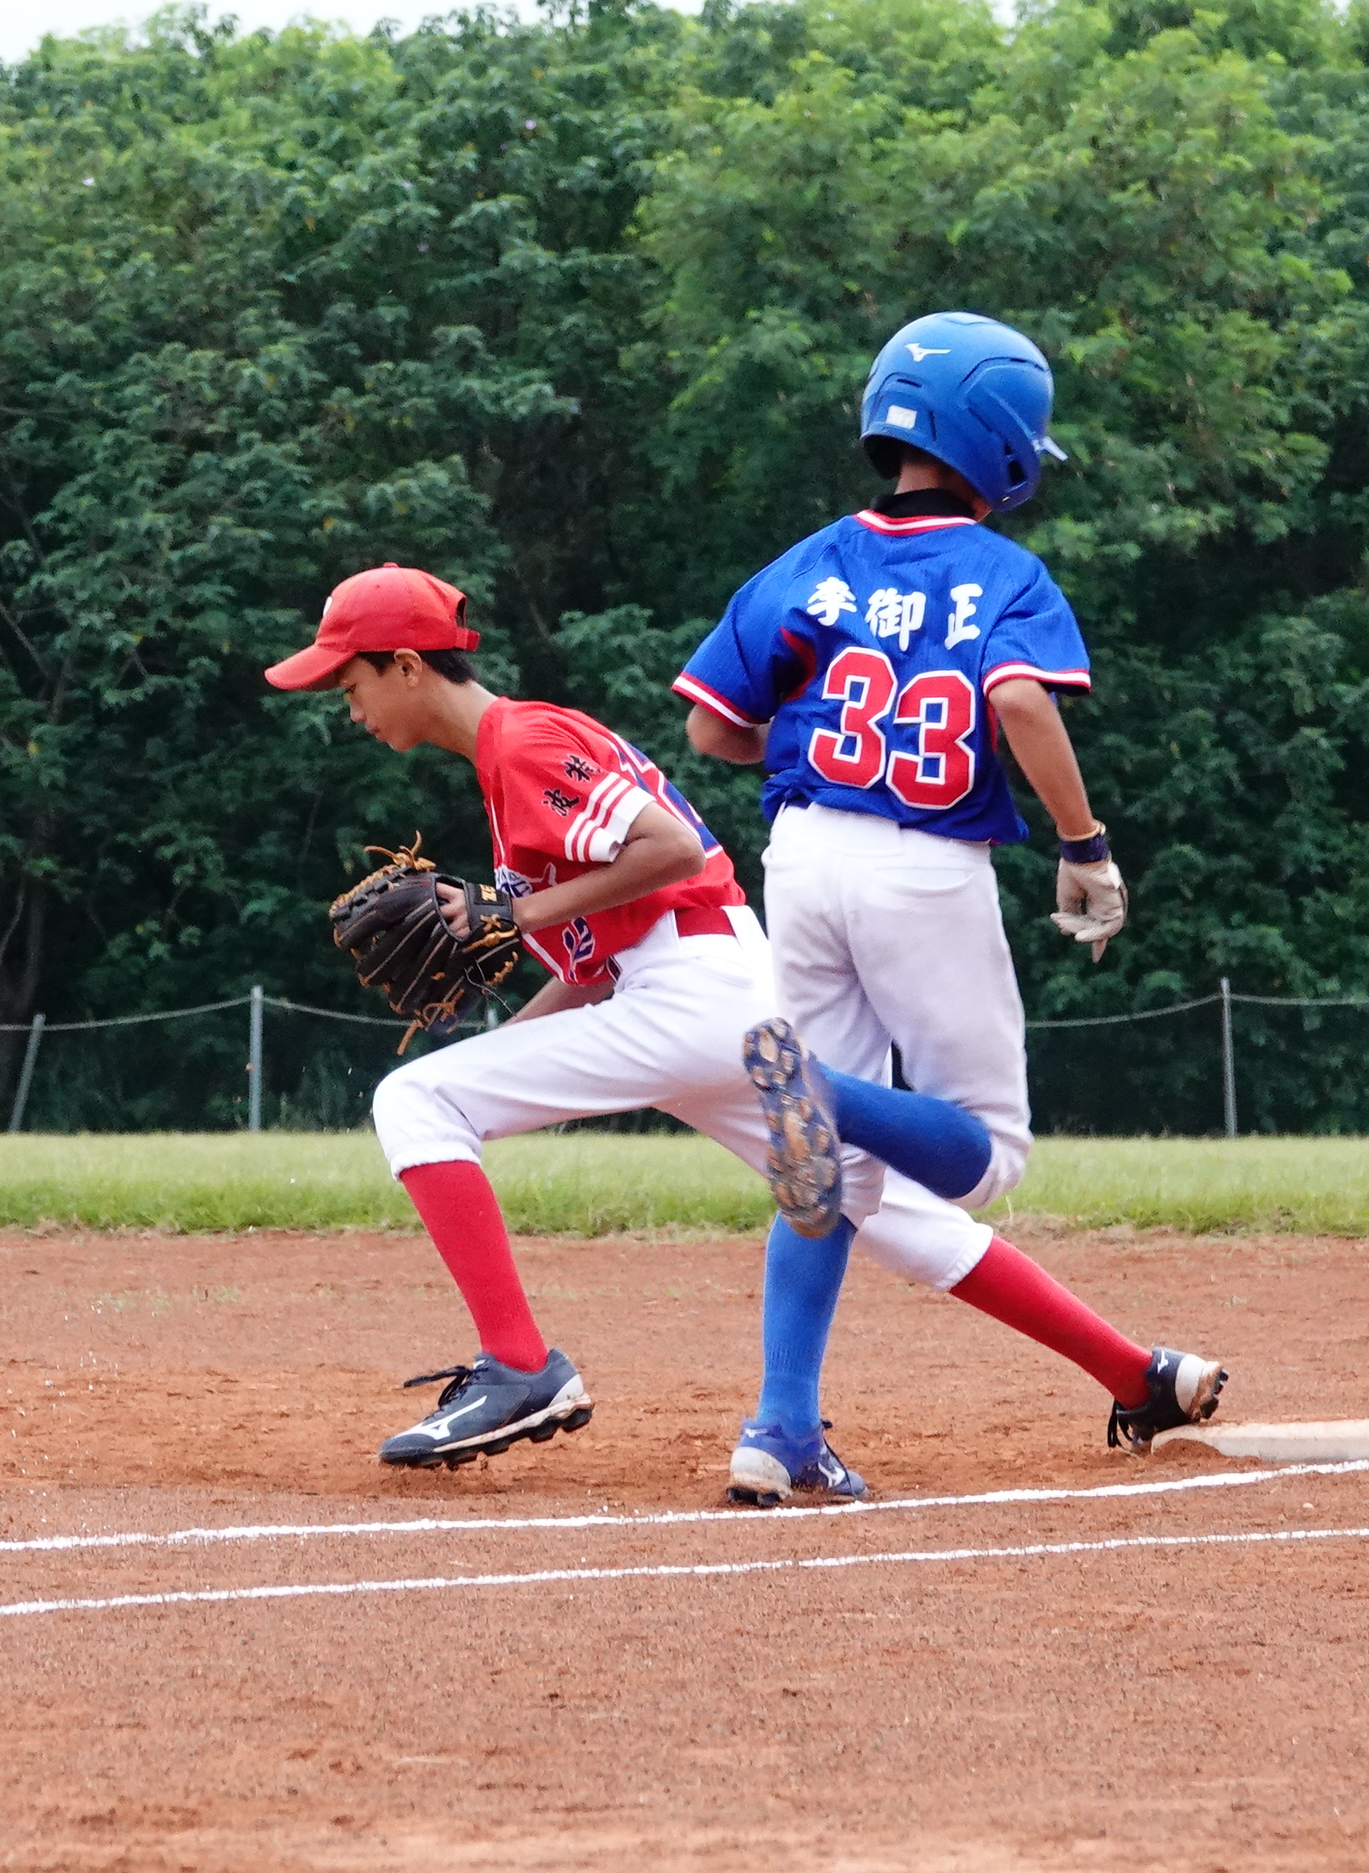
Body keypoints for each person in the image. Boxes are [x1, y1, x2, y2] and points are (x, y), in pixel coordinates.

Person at [270, 564, 1011, 1477]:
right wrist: (503, 1047)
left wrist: (513, 916)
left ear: (409, 667)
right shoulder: (512, 760)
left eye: (351, 682)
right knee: (891, 1213)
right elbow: (592, 974)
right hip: (710, 994)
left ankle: (520, 1367)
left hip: (693, 990)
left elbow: (671, 848)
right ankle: (1140, 1374)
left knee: (414, 1102)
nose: (349, 708)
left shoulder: (524, 740)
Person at [677, 311, 1228, 1500]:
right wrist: (1083, 843)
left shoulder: (810, 561)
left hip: (802, 852)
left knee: (825, 1170)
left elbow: (711, 728)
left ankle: (780, 1432)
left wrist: (818, 736)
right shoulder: (1002, 572)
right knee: (985, 1158)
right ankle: (817, 1091)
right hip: (924, 867)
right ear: (1006, 446)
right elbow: (1021, 700)